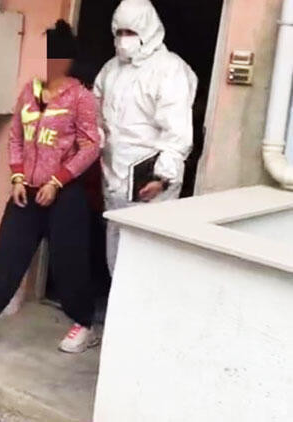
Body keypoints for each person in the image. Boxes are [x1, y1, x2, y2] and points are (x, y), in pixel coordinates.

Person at [0, 20, 102, 354]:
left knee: (69, 262)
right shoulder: (29, 93)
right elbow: (16, 137)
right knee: (6, 257)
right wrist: (17, 176)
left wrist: (58, 180)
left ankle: (84, 324)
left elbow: (91, 146)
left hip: (64, 194)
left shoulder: (81, 98)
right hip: (26, 193)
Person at [94, 0, 198, 273]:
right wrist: (96, 139)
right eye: (119, 32)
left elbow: (178, 133)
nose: (123, 39)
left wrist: (162, 178)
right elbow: (97, 113)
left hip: (150, 183)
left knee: (148, 257)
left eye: (130, 32)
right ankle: (117, 299)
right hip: (115, 178)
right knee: (117, 252)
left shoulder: (169, 70)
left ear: (148, 31)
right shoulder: (111, 69)